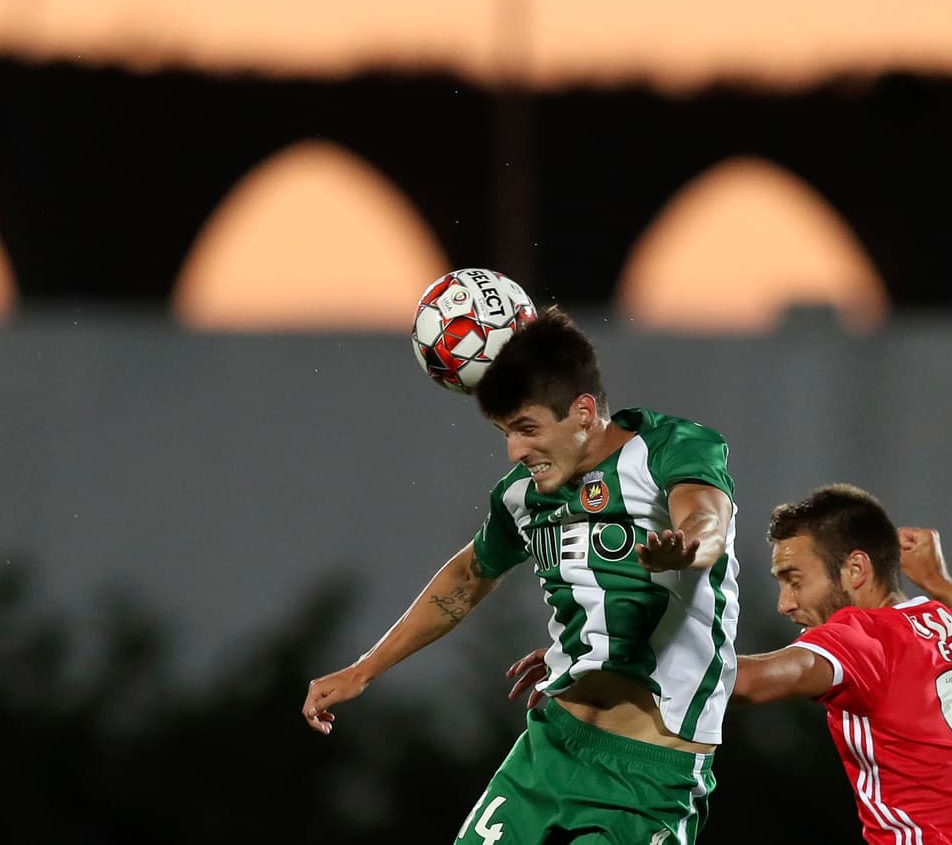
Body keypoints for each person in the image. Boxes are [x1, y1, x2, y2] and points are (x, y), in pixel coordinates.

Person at [303, 305, 741, 844]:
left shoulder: (671, 447)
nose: (515, 450)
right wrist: (362, 671)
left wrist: (689, 547)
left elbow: (707, 516)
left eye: (528, 429)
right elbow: (467, 576)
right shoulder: (521, 497)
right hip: (552, 746)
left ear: (583, 412)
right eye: (505, 432)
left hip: (649, 775)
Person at [509, 483, 952, 844]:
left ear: (855, 570)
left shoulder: (866, 637)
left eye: (794, 579)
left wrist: (603, 651)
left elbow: (748, 682)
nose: (785, 604)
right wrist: (942, 584)